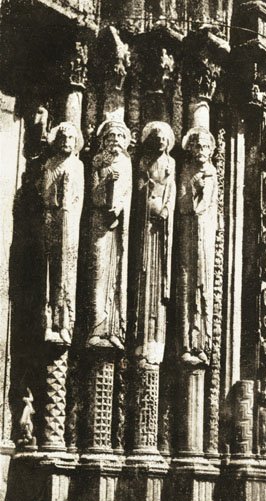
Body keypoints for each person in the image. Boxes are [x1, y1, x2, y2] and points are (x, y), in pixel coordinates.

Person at [87, 119, 132, 349]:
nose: (115, 140)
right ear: (104, 140)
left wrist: (120, 207)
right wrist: (106, 180)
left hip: (118, 224)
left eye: (119, 136)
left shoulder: (126, 163)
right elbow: (93, 195)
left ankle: (114, 329)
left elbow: (127, 192)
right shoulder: (98, 161)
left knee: (116, 273)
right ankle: (96, 327)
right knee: (99, 271)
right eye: (111, 136)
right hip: (100, 222)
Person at [39, 121, 84, 345]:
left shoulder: (78, 166)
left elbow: (79, 197)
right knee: (52, 270)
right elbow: (46, 196)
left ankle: (65, 323)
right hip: (53, 221)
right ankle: (50, 323)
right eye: (63, 137)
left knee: (67, 271)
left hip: (70, 222)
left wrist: (69, 205)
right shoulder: (50, 164)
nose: (66, 141)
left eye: (70, 138)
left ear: (76, 143)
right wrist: (57, 195)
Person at [135, 121, 176, 364]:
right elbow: (139, 187)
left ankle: (155, 345)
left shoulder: (171, 163)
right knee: (144, 273)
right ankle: (142, 342)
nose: (160, 141)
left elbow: (171, 191)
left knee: (159, 279)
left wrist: (166, 210)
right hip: (145, 225)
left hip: (161, 229)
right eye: (156, 138)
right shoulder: (144, 162)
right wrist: (146, 188)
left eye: (163, 139)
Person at [178, 126, 218, 365]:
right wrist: (193, 187)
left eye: (205, 147)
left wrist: (201, 189)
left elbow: (206, 207)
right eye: (197, 146)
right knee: (187, 283)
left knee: (202, 286)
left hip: (205, 235)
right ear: (191, 149)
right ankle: (186, 343)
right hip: (189, 233)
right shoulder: (186, 172)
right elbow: (183, 206)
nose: (201, 150)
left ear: (211, 150)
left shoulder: (212, 173)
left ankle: (201, 343)